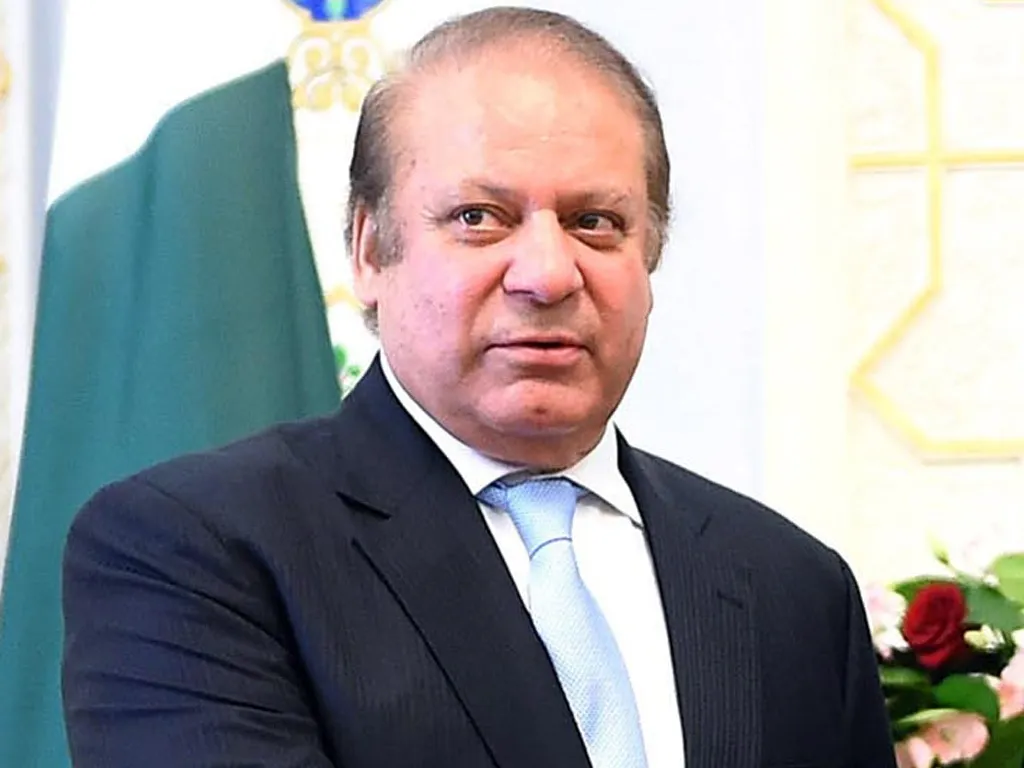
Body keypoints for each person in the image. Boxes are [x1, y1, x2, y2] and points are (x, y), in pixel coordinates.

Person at [60, 6, 896, 767]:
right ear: (369, 251)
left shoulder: (792, 587)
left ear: (650, 257)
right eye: (479, 218)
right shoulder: (195, 552)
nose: (547, 273)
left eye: (595, 222)